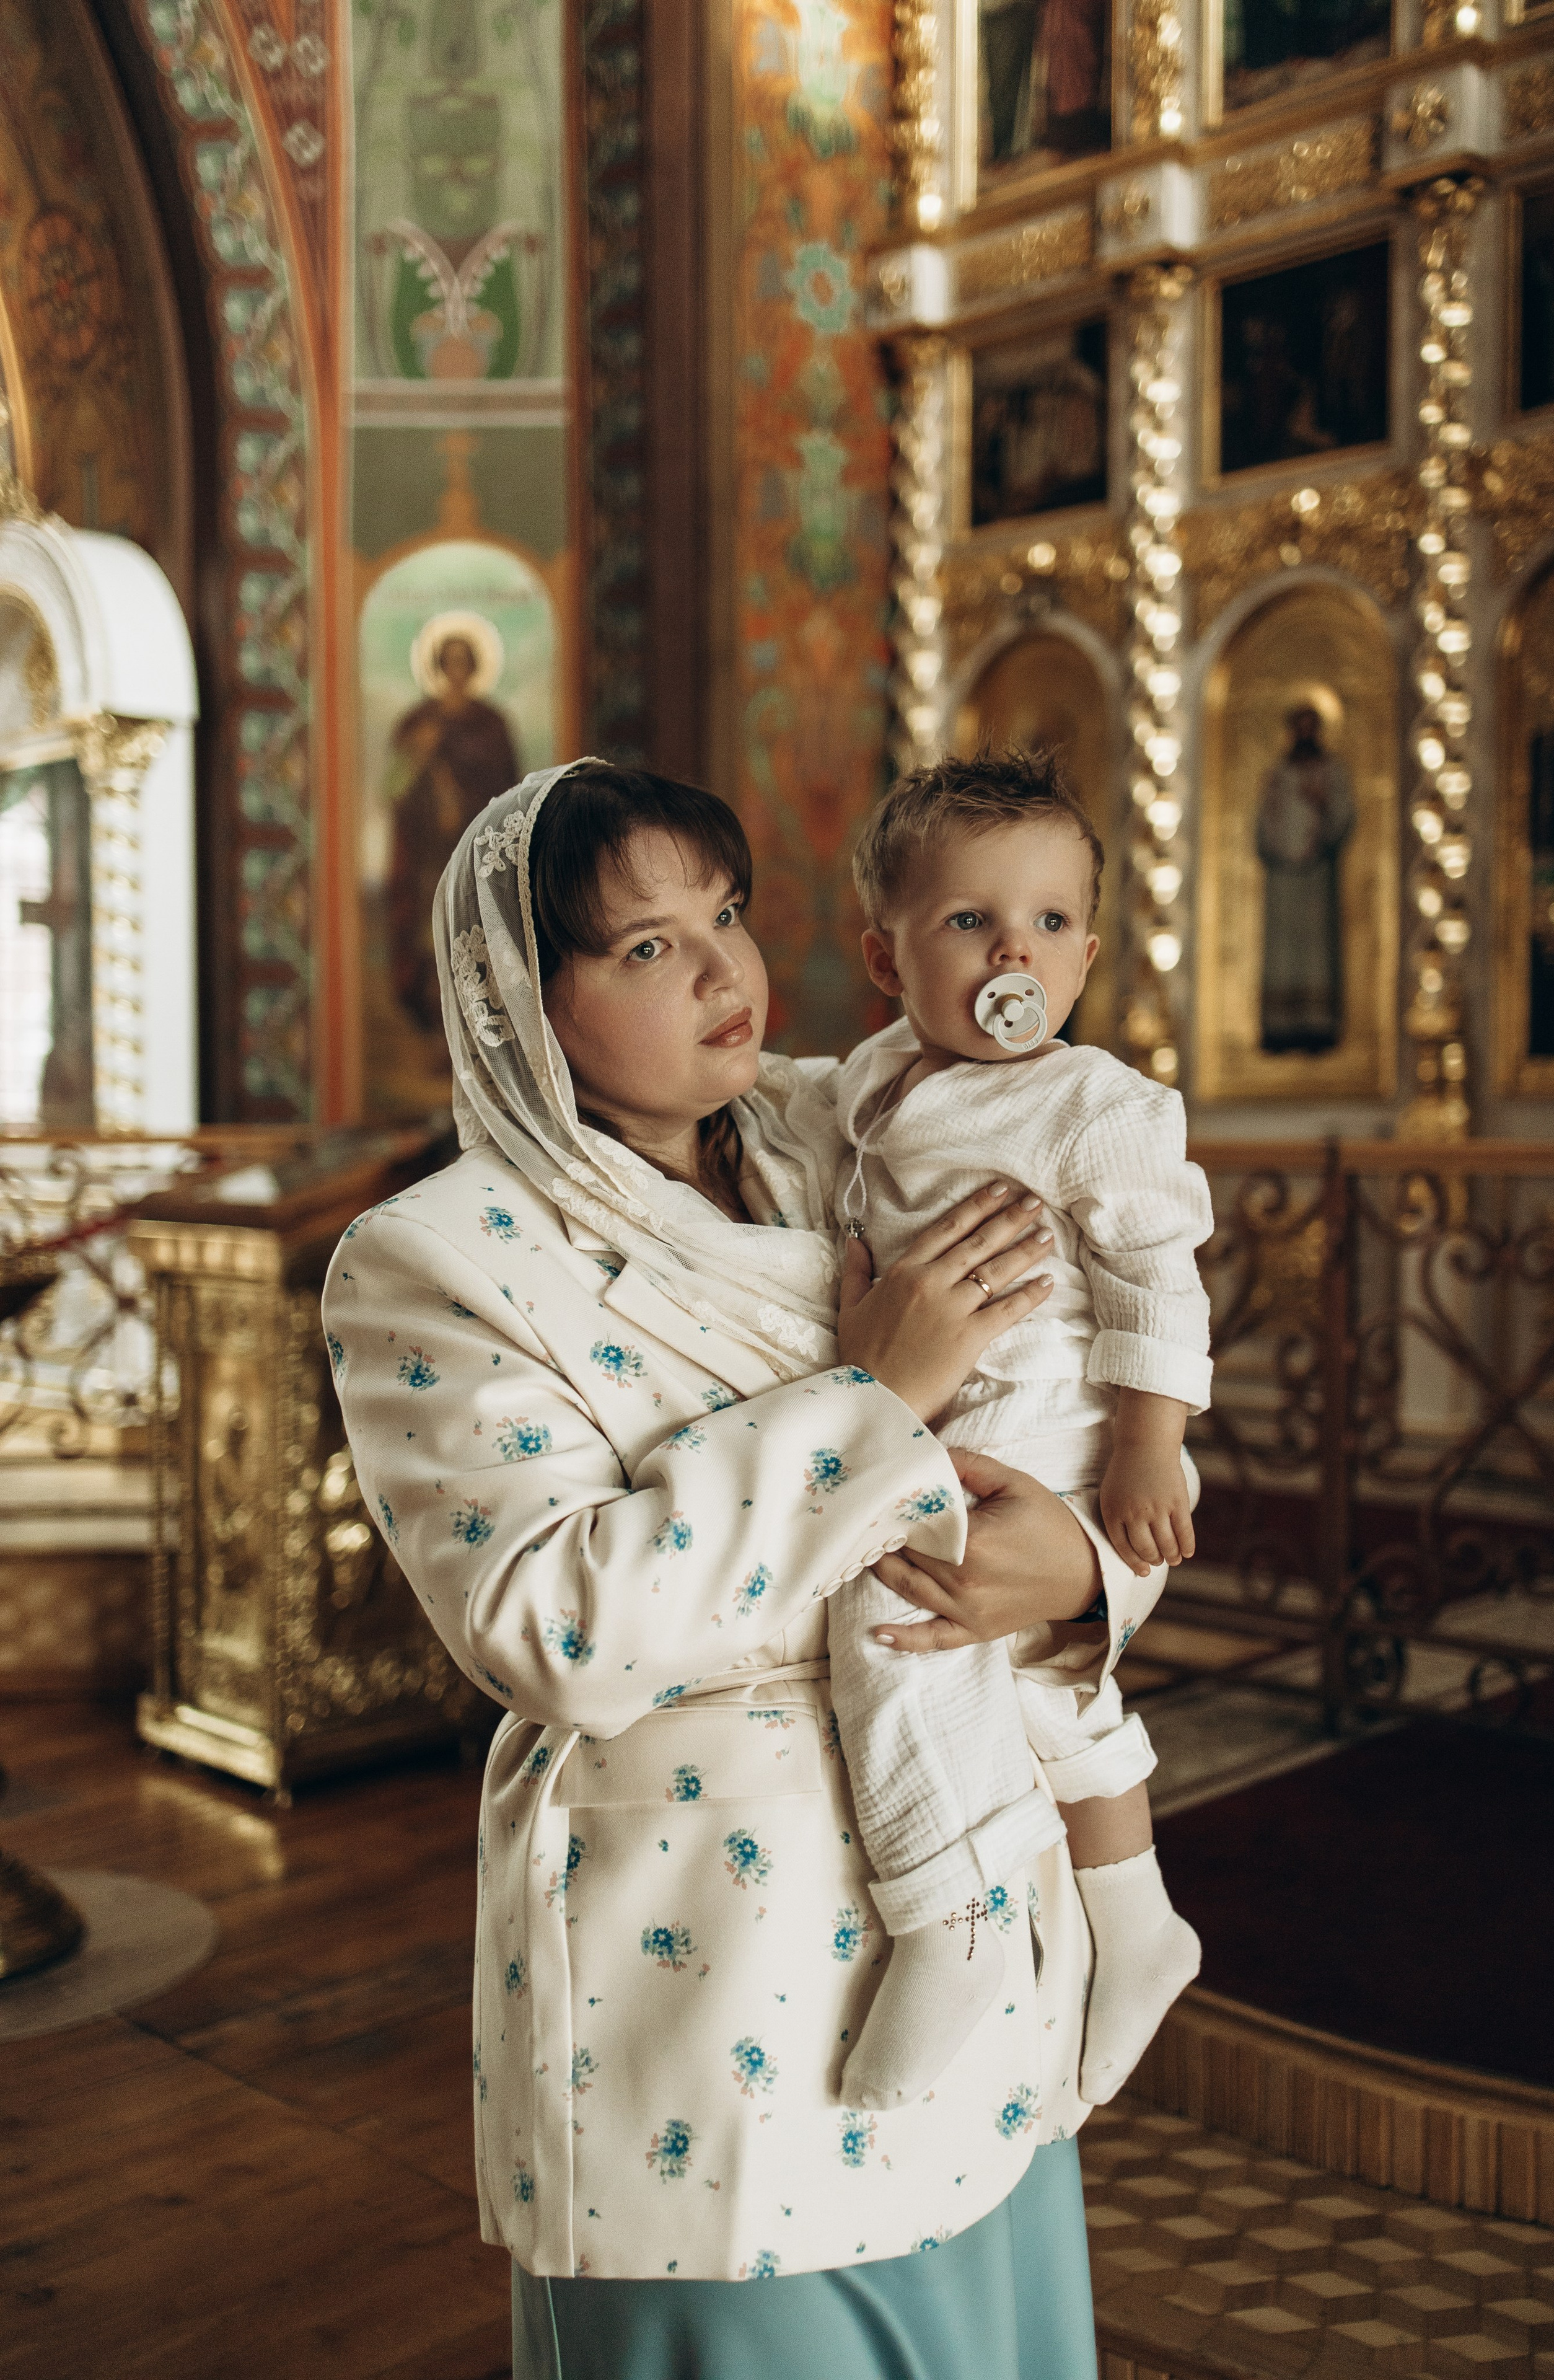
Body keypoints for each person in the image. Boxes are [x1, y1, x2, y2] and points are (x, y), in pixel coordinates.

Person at [325, 758, 1138, 2379]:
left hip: (966, 1876)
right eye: (644, 945)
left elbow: (1063, 1400)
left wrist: (1079, 1582)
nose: (725, 973)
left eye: (731, 915)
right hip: (710, 1970)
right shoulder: (439, 1260)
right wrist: (870, 1401)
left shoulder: (856, 1134)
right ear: (523, 1001)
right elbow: (549, 1624)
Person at [825, 751, 1208, 2117]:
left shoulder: (1093, 1105)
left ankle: (948, 1921)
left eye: (1048, 925)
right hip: (944, 1404)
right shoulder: (869, 1079)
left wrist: (1148, 1445)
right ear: (887, 956)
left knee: (894, 1631)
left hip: (1053, 1416)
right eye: (968, 922)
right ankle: (1136, 1915)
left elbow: (1157, 1275)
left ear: (1088, 953)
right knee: (1041, 1689)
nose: (1014, 954)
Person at [387, 628, 520, 1036]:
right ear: (441, 666)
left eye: (465, 662)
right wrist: (417, 754)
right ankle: (436, 1031)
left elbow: (511, 794)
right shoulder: (417, 722)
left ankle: (477, 1031)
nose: (458, 670)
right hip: (428, 855)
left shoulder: (492, 725)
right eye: (451, 661)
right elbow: (393, 789)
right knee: (432, 941)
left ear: (475, 667)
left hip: (477, 853)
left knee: (475, 936)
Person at [1256, 703, 1355, 1055]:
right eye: (1299, 727)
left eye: (1311, 727)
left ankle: (1317, 1028)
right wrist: (1277, 840)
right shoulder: (1279, 773)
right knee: (1284, 949)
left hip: (1316, 877)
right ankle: (1280, 1029)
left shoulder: (1331, 772)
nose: (1305, 734)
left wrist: (1323, 806)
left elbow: (1343, 817)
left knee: (1315, 950)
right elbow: (1265, 820)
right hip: (1283, 877)